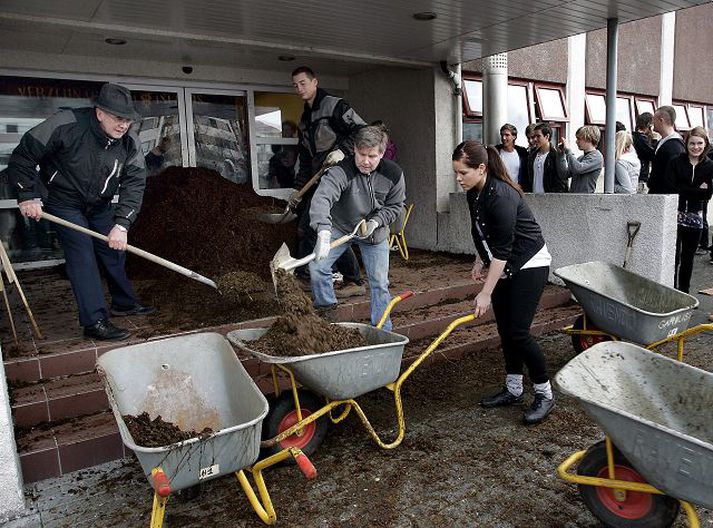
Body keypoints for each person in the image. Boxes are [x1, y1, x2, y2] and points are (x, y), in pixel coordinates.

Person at [6, 83, 154, 341]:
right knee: (82, 254)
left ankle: (124, 303)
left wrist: (122, 224)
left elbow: (135, 182)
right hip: (63, 202)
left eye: (128, 120)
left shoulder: (130, 142)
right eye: (118, 118)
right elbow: (24, 155)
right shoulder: (66, 124)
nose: (124, 125)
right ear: (100, 113)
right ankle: (95, 321)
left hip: (99, 204)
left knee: (113, 250)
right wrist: (27, 195)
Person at [453, 140, 554, 425]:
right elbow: (484, 232)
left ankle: (544, 393)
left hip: (529, 264)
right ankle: (513, 389)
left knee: (519, 332)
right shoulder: (474, 192)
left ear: (481, 168)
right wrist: (478, 261)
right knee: (505, 330)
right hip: (505, 262)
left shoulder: (502, 196)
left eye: (463, 173)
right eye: (456, 173)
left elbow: (503, 249)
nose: (459, 179)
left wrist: (485, 293)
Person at [309, 126, 405, 330]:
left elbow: (396, 205)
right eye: (362, 154)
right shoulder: (341, 171)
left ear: (382, 153)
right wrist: (323, 231)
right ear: (354, 149)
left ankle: (382, 329)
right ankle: (328, 317)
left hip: (374, 234)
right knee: (317, 268)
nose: (366, 161)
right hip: (341, 226)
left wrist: (376, 222)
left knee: (379, 283)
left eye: (372, 156)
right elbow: (322, 198)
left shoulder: (393, 174)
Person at [288, 66, 367, 298]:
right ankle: (350, 279)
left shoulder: (335, 105)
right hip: (318, 178)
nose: (299, 88)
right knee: (318, 228)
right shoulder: (305, 118)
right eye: (295, 85)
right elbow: (305, 158)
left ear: (315, 82)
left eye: (303, 83)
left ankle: (307, 276)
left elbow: (362, 130)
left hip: (340, 176)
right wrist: (297, 190)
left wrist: (343, 151)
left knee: (317, 225)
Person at [669, 126, 713, 293]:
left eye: (700, 143)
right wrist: (696, 189)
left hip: (696, 216)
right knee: (674, 256)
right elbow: (671, 187)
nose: (696, 147)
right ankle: (671, 289)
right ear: (686, 144)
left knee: (688, 257)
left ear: (705, 144)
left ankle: (684, 291)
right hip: (676, 214)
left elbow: (707, 194)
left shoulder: (709, 165)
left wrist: (685, 189)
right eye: (692, 143)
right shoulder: (676, 162)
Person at [648, 106, 685, 194]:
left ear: (661, 120)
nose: (652, 123)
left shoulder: (674, 147)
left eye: (654, 120)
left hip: (664, 197)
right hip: (658, 195)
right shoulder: (662, 142)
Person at [556, 125, 604, 193]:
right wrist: (561, 155)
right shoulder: (580, 158)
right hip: (575, 199)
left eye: (579, 139)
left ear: (588, 138)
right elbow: (564, 174)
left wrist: (568, 150)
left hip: (585, 200)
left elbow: (577, 169)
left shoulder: (596, 157)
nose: (576, 142)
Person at [523, 123, 568, 193]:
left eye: (538, 136)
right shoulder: (531, 156)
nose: (535, 139)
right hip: (533, 199)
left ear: (547, 136)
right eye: (534, 136)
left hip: (550, 200)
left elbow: (562, 181)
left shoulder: (556, 155)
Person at [632, 112, 658, 192]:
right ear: (649, 125)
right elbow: (653, 155)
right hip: (641, 177)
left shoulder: (634, 136)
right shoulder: (641, 139)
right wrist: (654, 140)